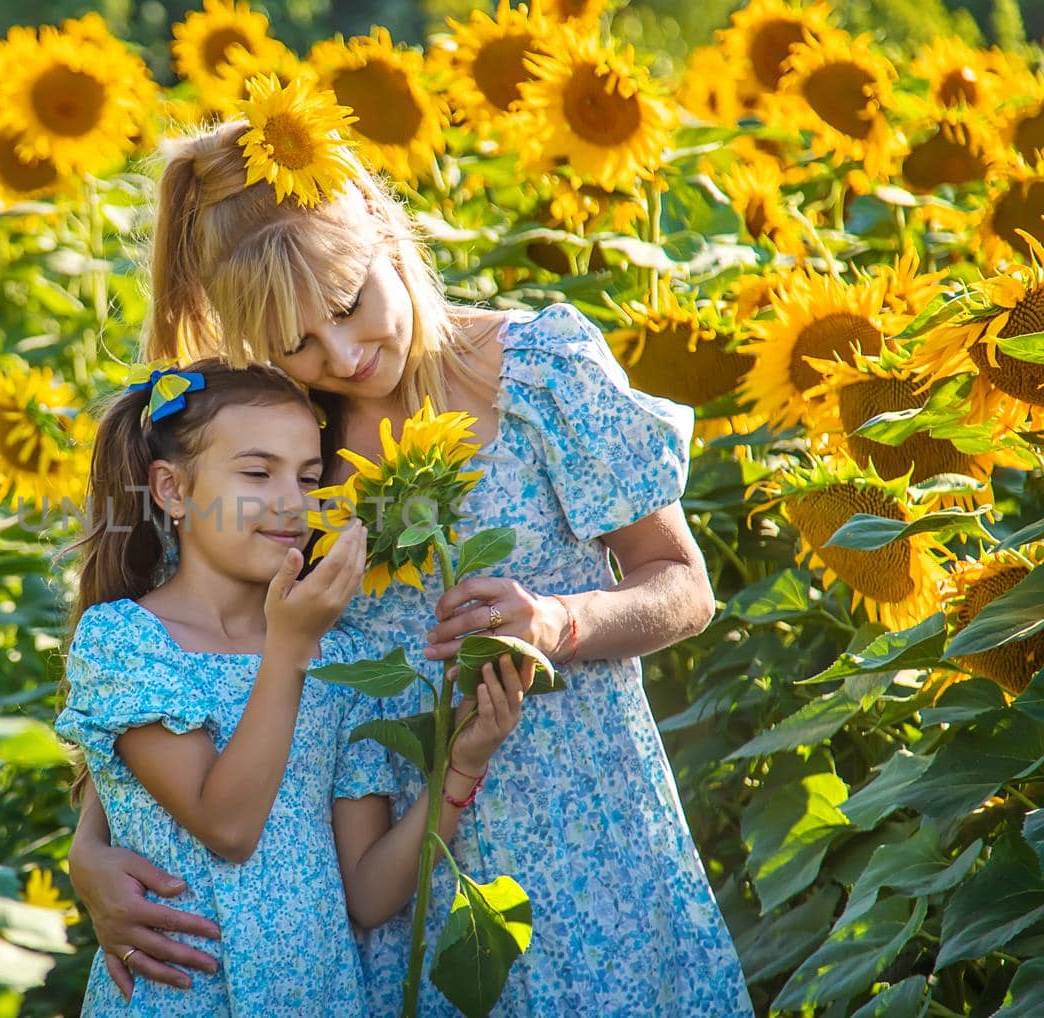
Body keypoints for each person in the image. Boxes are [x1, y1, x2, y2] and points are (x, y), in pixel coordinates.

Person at [67, 116, 756, 1017]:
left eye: (351, 305)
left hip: (585, 824)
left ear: (387, 236)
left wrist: (558, 621)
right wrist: (92, 844)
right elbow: (186, 639)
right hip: (376, 874)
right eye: (297, 344)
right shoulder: (281, 439)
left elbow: (682, 584)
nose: (345, 357)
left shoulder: (542, 371)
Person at [57, 360, 533, 1014]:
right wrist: (290, 645)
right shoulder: (127, 641)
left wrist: (463, 762)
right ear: (171, 489)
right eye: (257, 473)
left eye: (309, 478)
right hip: (178, 1001)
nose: (293, 503)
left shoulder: (344, 660)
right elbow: (228, 826)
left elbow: (368, 895)